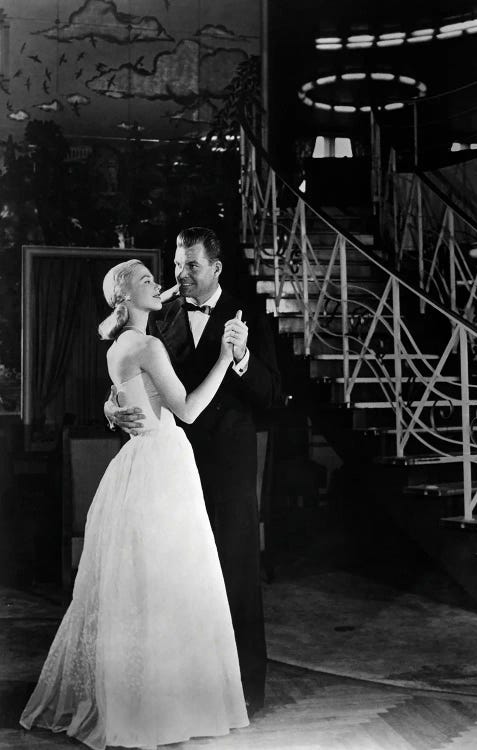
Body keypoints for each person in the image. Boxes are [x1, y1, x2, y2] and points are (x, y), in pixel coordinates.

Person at [20, 259, 249, 750]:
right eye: (146, 279)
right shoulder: (145, 343)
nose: (157, 282)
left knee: (151, 584)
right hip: (162, 461)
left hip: (139, 462)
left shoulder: (123, 343)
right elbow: (186, 409)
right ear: (125, 297)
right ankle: (163, 708)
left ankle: (148, 701)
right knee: (170, 582)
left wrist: (110, 405)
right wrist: (227, 360)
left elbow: (128, 393)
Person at [107, 227, 281, 713]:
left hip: (228, 465)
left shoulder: (250, 316)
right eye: (178, 265)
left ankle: (245, 691)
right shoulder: (160, 317)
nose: (180, 275)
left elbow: (272, 395)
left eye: (192, 267)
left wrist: (241, 356)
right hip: (172, 467)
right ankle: (188, 693)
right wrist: (111, 406)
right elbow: (134, 374)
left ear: (217, 269)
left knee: (235, 571)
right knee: (178, 577)